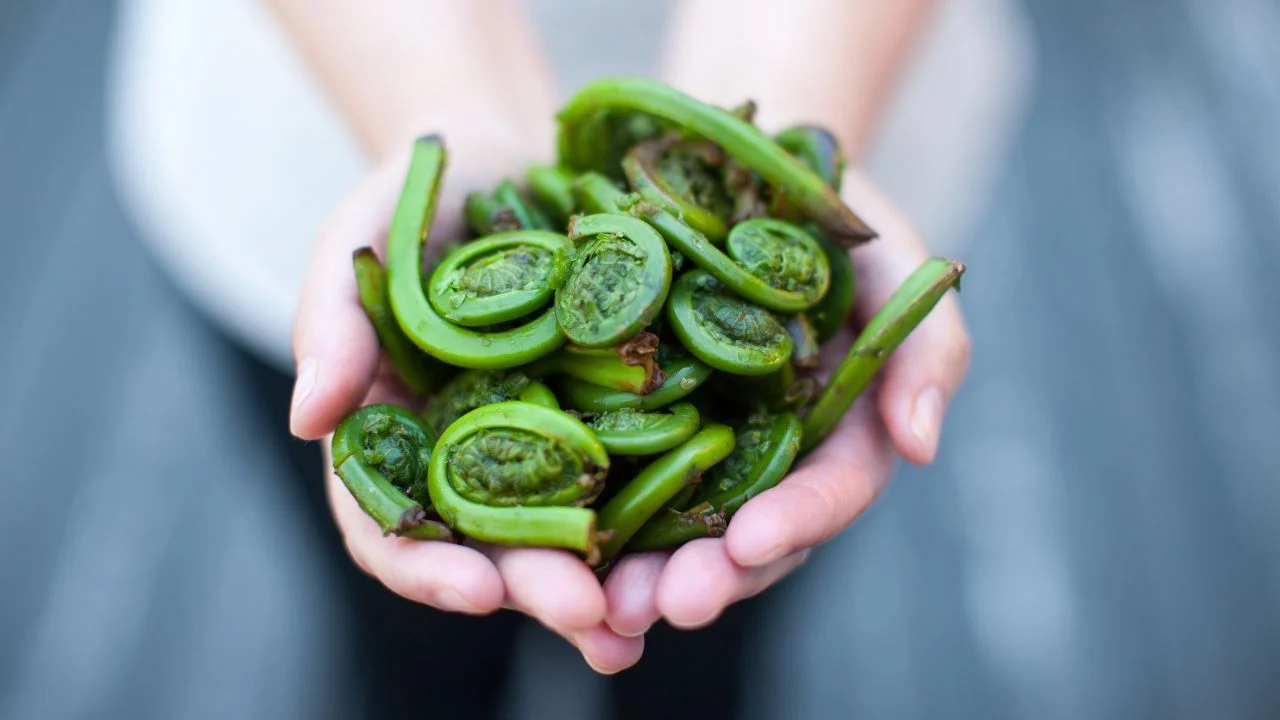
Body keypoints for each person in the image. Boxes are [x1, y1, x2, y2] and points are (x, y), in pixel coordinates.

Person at [271, 0, 970, 674]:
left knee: (705, 647)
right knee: (415, 649)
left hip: (842, 49)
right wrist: (444, 116)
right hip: (363, 70)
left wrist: (791, 86)